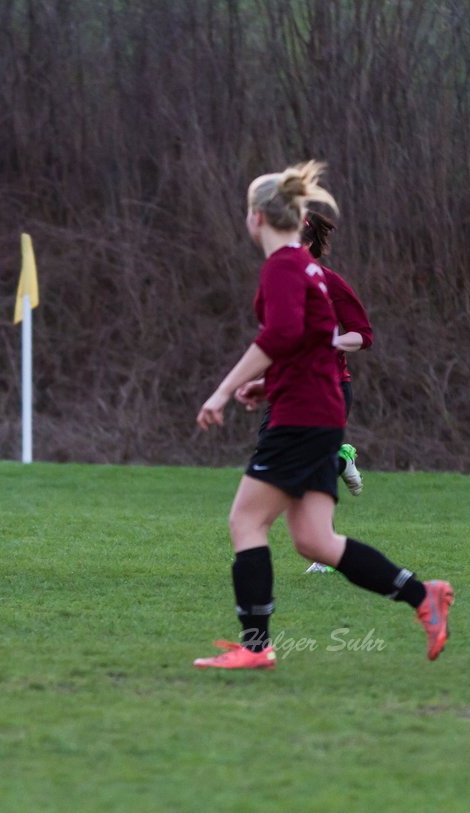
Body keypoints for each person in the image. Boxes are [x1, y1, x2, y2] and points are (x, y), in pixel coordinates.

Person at [193, 161, 452, 670]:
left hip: (304, 416)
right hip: (315, 407)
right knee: (314, 539)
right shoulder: (307, 268)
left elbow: (280, 335)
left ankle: (255, 645)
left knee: (246, 520)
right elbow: (309, 341)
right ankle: (424, 595)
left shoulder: (286, 267)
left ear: (255, 219)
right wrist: (268, 383)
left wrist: (221, 391)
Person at [235, 210, 373, 574]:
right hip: (289, 392)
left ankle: (313, 550)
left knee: (296, 465)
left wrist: (330, 342)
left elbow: (363, 334)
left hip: (329, 390)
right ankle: (339, 463)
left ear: (308, 242)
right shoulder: (281, 281)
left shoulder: (329, 282)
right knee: (276, 458)